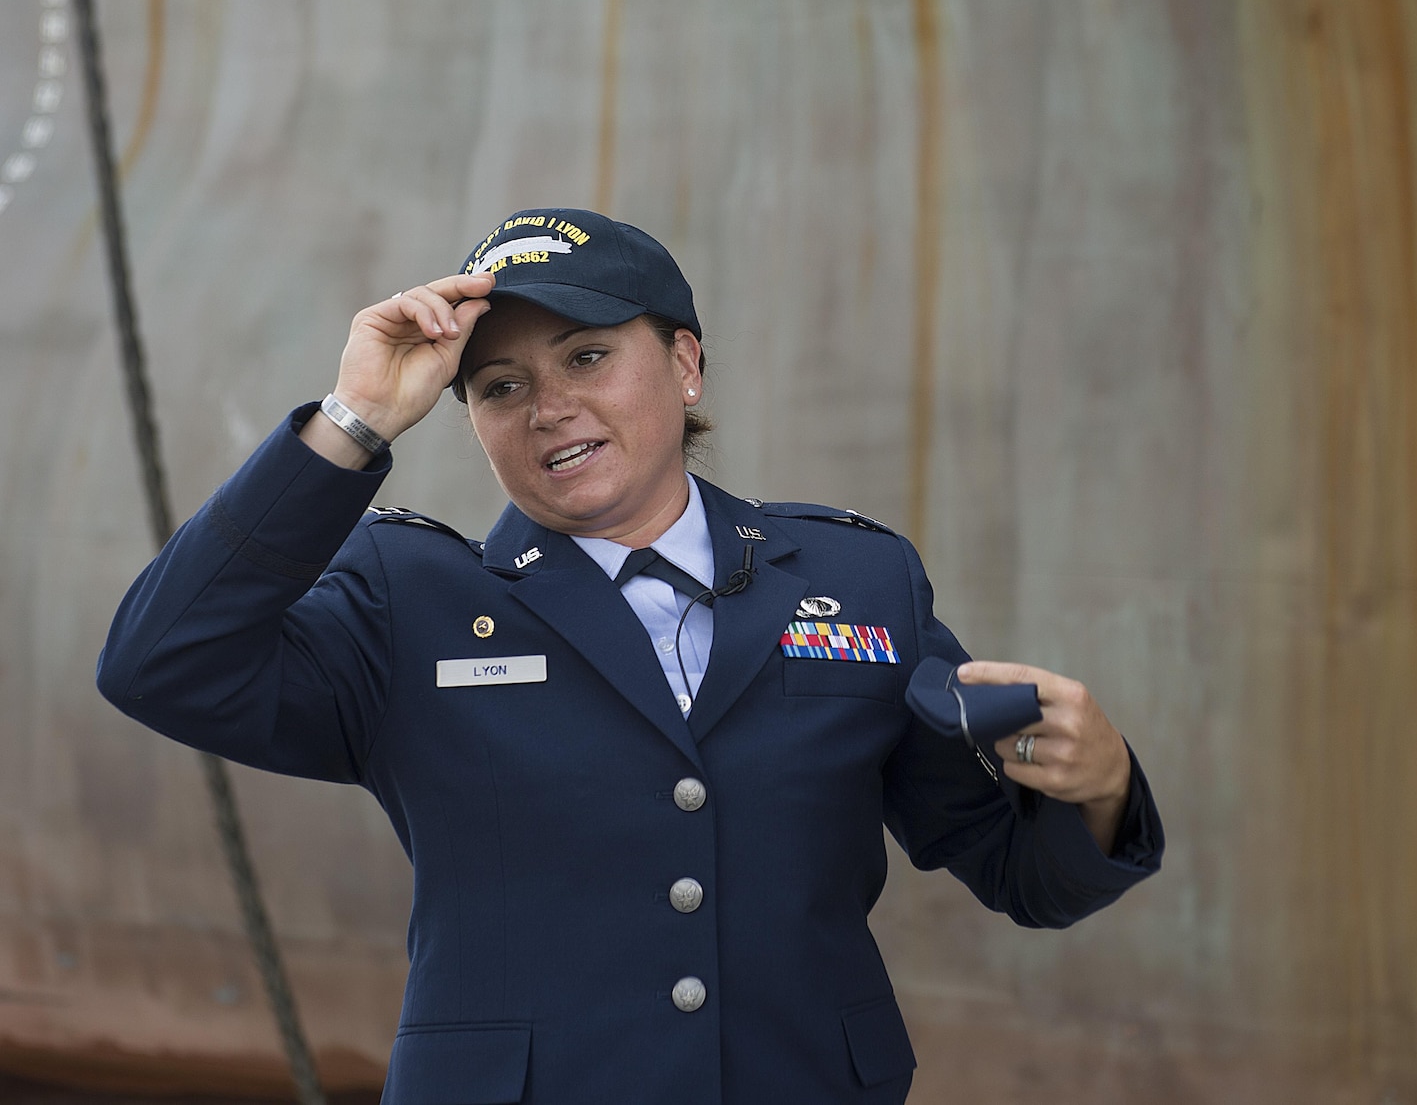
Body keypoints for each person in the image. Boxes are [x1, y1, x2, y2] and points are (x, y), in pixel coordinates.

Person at [97, 208, 1163, 1105]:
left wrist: (1102, 784)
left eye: (587, 354)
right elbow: (162, 661)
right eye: (499, 385)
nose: (549, 402)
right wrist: (353, 420)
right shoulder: (406, 602)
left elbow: (1019, 872)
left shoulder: (855, 582)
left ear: (686, 362)